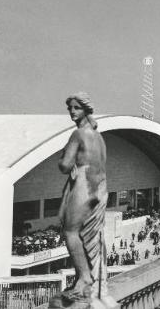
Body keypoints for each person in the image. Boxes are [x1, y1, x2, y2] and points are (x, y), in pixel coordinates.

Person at [52, 92, 109, 307]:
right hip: (100, 186)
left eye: (76, 107)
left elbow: (65, 165)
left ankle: (84, 276)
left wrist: (64, 156)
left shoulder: (78, 134)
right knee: (89, 233)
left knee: (70, 231)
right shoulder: (99, 137)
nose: (72, 112)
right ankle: (88, 278)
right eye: (70, 108)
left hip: (84, 182)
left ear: (85, 109)